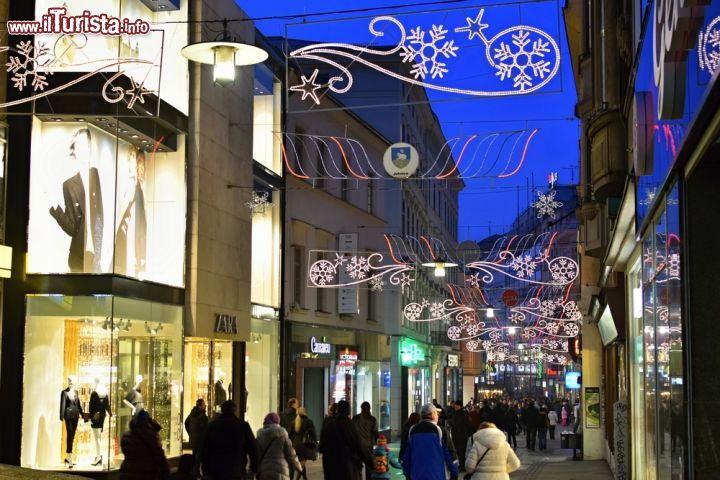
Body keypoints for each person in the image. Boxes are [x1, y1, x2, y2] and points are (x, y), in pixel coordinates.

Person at [50, 127, 104, 273]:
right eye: (80, 145)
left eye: (87, 145)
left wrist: (98, 255)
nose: (84, 149)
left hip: (93, 259)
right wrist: (55, 208)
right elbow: (72, 228)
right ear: (75, 150)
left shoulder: (94, 174)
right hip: (77, 259)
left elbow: (100, 217)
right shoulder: (68, 185)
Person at [200, 400, 258, 480]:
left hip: (216, 470)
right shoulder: (242, 426)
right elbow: (252, 448)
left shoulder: (213, 426)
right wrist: (254, 467)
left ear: (222, 410)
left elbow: (205, 449)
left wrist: (205, 470)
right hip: (236, 470)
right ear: (234, 410)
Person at [402, 403, 459, 480]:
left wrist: (407, 474)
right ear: (432, 414)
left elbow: (406, 456)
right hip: (437, 475)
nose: (438, 416)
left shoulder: (412, 430)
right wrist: (454, 473)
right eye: (437, 414)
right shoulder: (441, 431)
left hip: (416, 475)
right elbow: (450, 454)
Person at [319, 400, 373, 480]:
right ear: (348, 411)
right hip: (347, 467)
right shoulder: (349, 425)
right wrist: (371, 461)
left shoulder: (329, 424)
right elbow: (359, 445)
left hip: (331, 467)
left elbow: (322, 446)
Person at [119, 410, 169, 480]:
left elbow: (125, 452)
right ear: (147, 421)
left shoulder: (127, 435)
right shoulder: (150, 434)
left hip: (128, 471)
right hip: (145, 472)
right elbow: (158, 454)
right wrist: (165, 471)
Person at [256, 412, 302, 480]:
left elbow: (255, 457)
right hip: (281, 472)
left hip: (264, 472)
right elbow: (291, 455)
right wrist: (299, 467)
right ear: (278, 422)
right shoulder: (283, 437)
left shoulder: (259, 438)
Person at [353, 401, 379, 480]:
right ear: (369, 408)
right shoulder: (372, 419)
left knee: (357, 468)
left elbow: (351, 431)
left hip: (357, 447)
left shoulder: (356, 418)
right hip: (368, 446)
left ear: (361, 408)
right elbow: (375, 433)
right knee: (369, 468)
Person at [292, 407, 318, 479]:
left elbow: (290, 433)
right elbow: (313, 433)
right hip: (304, 445)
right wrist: (315, 442)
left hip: (296, 445)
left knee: (301, 462)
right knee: (302, 464)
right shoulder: (308, 421)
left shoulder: (294, 421)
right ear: (305, 412)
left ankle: (305, 477)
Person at [449, 400, 475, 471]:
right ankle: (459, 465)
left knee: (461, 452)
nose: (454, 406)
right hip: (455, 435)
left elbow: (469, 424)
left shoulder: (464, 413)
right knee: (457, 451)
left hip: (462, 436)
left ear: (459, 406)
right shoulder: (454, 413)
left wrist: (470, 433)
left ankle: (462, 466)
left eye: (456, 405)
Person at [184, 397, 208, 470]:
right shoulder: (202, 415)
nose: (205, 405)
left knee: (195, 455)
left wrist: (191, 433)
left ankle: (193, 470)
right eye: (204, 404)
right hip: (200, 439)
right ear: (200, 406)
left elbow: (186, 422)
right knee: (200, 456)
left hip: (194, 438)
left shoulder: (192, 413)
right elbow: (203, 428)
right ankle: (196, 471)